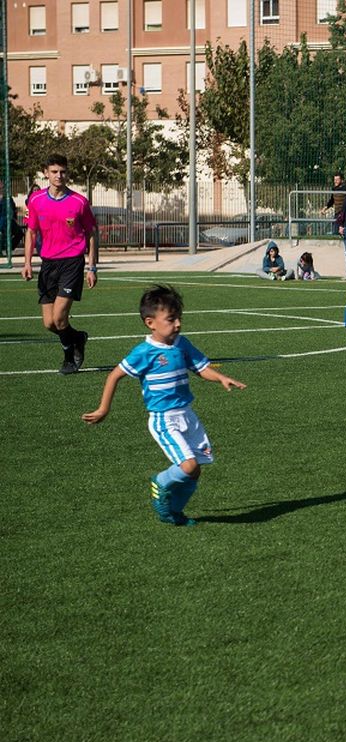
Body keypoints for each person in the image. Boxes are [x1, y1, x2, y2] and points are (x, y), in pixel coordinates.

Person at [82, 284, 247, 525]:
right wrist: (104, 408)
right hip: (163, 418)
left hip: (187, 416)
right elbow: (114, 375)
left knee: (195, 471)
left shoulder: (182, 343)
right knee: (188, 466)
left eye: (179, 318)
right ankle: (160, 481)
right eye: (171, 319)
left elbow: (200, 368)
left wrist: (220, 377)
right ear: (151, 323)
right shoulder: (144, 352)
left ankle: (173, 513)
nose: (178, 324)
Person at [21, 153, 98, 375]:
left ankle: (68, 358)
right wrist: (27, 263)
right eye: (54, 172)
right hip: (48, 265)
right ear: (46, 173)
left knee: (59, 317)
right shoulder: (35, 200)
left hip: (72, 263)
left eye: (62, 171)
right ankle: (78, 338)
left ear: (68, 173)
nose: (59, 176)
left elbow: (91, 234)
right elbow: (31, 232)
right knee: (49, 324)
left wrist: (91, 267)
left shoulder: (79, 202)